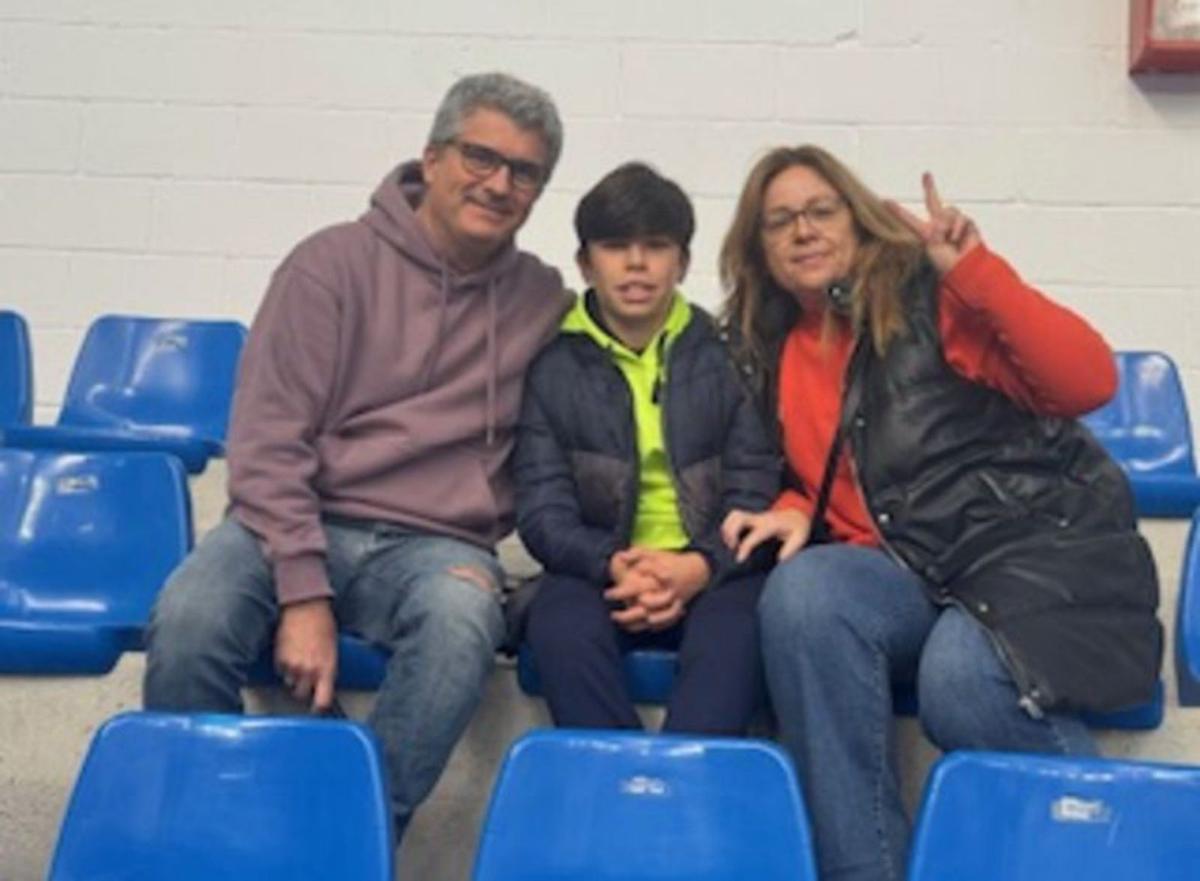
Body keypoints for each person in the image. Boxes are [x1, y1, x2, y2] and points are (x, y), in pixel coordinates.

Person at [143, 72, 569, 839]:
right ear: (432, 157)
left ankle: (343, 842)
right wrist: (304, 592)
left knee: (461, 622)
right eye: (480, 156)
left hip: (436, 544)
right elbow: (268, 446)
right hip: (292, 518)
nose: (499, 183)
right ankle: (205, 838)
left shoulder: (543, 301)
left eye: (525, 171)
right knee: (190, 614)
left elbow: (646, 324)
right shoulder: (328, 266)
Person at [718, 145, 1162, 881]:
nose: (803, 230)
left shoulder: (930, 298)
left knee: (961, 676)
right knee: (803, 595)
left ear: (858, 223)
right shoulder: (768, 350)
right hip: (912, 572)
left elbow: (1089, 380)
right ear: (758, 250)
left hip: (1027, 550)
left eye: (822, 211)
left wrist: (976, 275)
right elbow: (823, 464)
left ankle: (1126, 855)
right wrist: (799, 503)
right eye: (780, 221)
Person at [513, 162, 779, 733]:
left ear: (681, 262)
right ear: (586, 262)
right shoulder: (551, 365)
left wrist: (698, 566)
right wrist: (611, 562)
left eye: (656, 247)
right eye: (615, 246)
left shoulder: (731, 357)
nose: (636, 264)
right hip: (599, 569)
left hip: (713, 571)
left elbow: (754, 493)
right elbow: (541, 511)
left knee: (739, 636)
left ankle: (682, 794)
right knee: (560, 628)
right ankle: (620, 791)